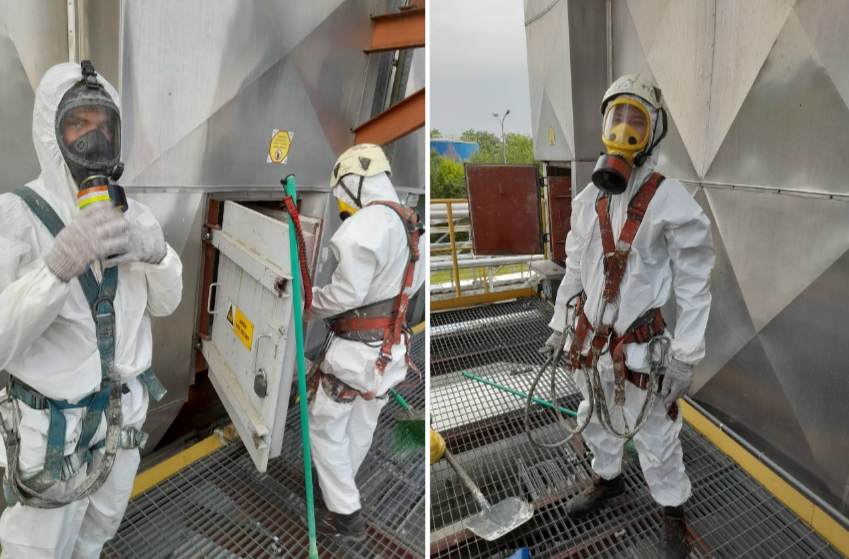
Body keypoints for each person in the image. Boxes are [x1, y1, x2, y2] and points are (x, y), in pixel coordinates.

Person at [0, 61, 182, 558]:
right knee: (35, 550)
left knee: (97, 534)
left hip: (120, 427)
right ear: (50, 131)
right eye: (78, 124)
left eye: (103, 126)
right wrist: (56, 270)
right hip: (52, 438)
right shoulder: (15, 216)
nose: (93, 139)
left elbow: (167, 302)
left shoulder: (135, 214)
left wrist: (158, 253)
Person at [542, 73, 714, 558]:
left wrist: (685, 354)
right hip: (589, 343)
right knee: (594, 415)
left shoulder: (670, 201)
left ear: (653, 133)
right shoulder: (589, 200)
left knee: (657, 432)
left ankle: (673, 510)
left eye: (635, 122)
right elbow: (574, 269)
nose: (622, 132)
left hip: (640, 349)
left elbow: (695, 282)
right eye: (615, 120)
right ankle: (609, 480)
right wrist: (559, 326)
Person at [303, 144, 424, 541]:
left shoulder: (368, 224)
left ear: (354, 183)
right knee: (361, 426)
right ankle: (337, 489)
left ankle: (346, 512)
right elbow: (407, 289)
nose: (343, 203)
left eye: (342, 194)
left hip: (355, 356)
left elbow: (347, 293)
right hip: (390, 355)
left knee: (324, 428)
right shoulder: (412, 224)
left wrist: (308, 305)